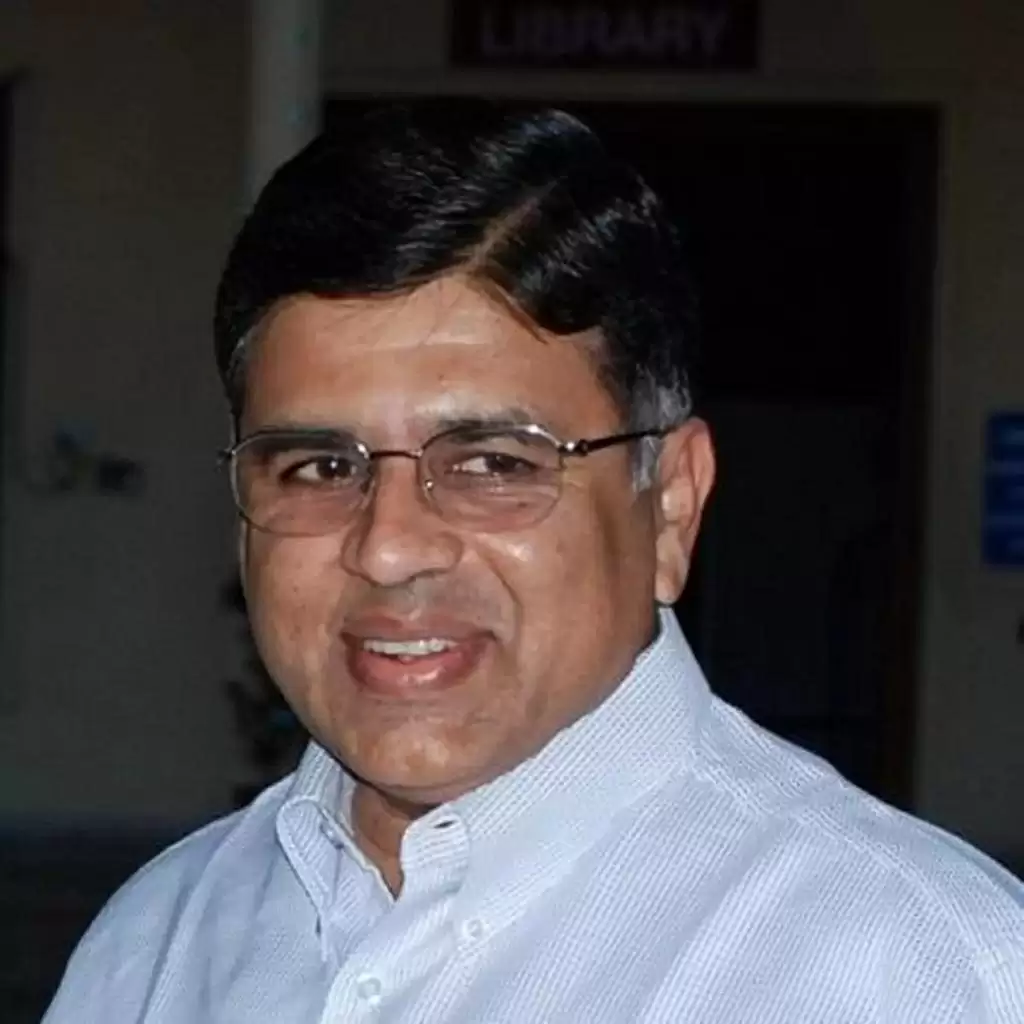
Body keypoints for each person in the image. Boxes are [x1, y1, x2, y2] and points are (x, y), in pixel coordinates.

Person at [45, 101, 1023, 1023]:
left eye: (493, 463)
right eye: (320, 466)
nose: (389, 547)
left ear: (671, 504)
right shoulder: (156, 947)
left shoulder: (916, 971)